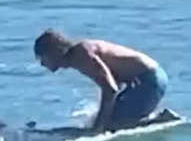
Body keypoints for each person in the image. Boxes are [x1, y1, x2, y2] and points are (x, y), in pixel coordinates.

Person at [34, 29, 168, 131]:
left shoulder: (82, 55)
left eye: (42, 58)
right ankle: (152, 118)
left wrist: (98, 127)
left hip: (149, 79)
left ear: (55, 52)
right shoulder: (79, 55)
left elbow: (110, 89)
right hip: (146, 79)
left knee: (112, 125)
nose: (42, 63)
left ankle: (162, 121)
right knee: (106, 119)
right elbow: (115, 83)